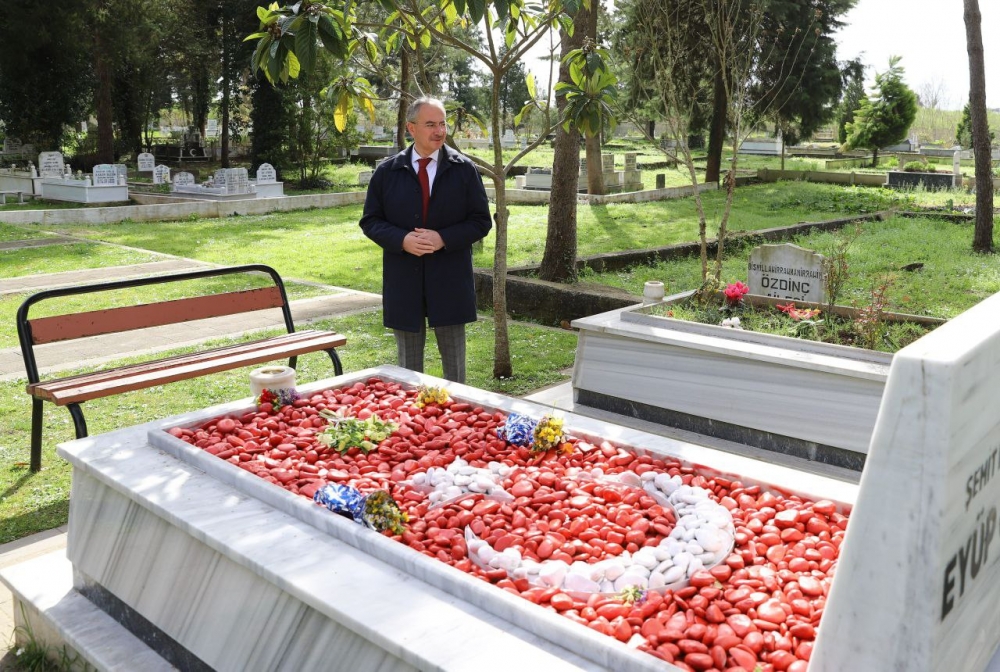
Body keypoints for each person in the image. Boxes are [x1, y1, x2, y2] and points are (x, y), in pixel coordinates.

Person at [360, 97, 492, 384]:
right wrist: (402, 239)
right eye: (431, 124)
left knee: (455, 374)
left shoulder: (464, 169)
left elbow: (481, 221)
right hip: (403, 280)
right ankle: (411, 410)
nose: (439, 131)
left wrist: (443, 238)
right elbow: (370, 221)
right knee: (408, 373)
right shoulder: (387, 172)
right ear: (411, 128)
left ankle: (457, 412)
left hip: (450, 279)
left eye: (442, 124)